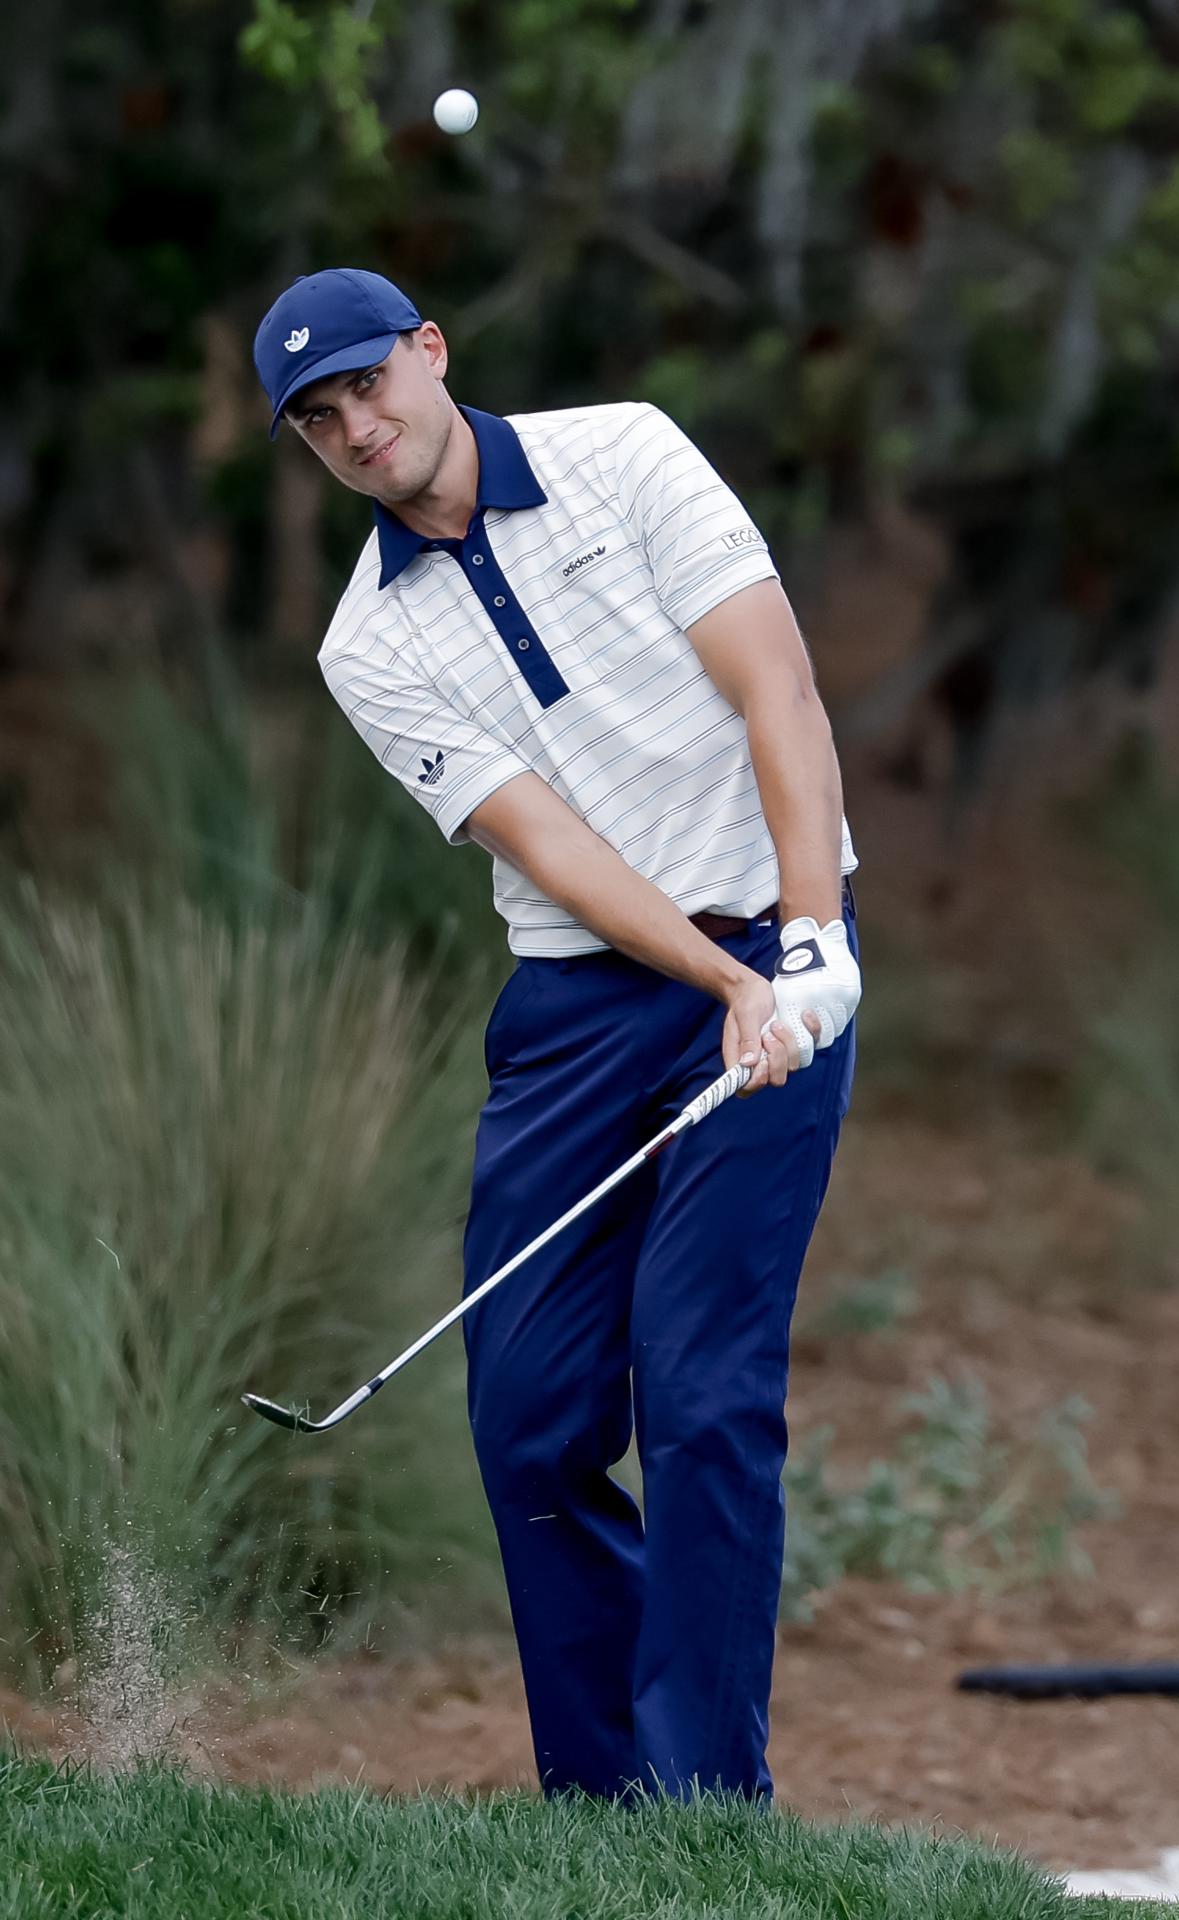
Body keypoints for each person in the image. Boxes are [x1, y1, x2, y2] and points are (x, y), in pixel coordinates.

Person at [252, 267, 862, 1805]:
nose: (356, 427)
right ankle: (597, 1806)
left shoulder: (629, 455)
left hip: (780, 951)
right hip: (583, 1007)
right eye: (319, 421)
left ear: (431, 353)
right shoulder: (364, 645)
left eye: (369, 385)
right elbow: (551, 846)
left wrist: (803, 944)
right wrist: (713, 986)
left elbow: (776, 688)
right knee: (527, 1423)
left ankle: (702, 1809)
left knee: (703, 1390)